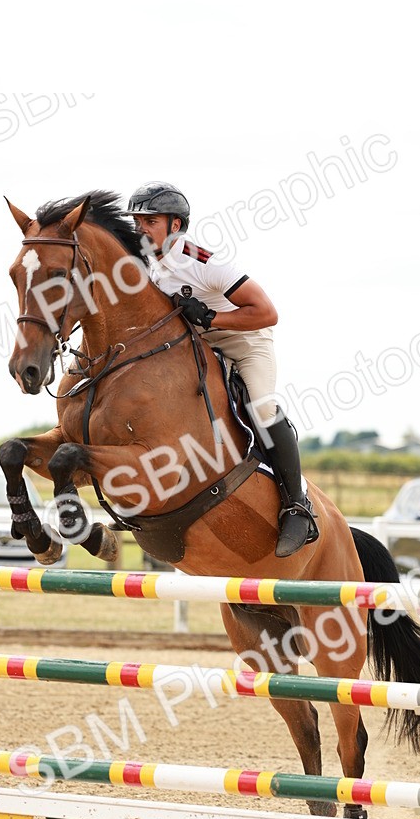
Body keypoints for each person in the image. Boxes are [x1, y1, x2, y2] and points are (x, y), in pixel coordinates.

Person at [124, 180, 318, 557]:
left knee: (262, 408)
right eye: (137, 221)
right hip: (195, 349)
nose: (141, 228)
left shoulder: (202, 261)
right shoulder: (146, 262)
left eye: (149, 221)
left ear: (175, 226)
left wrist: (212, 317)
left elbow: (267, 313)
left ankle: (297, 504)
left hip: (245, 343)